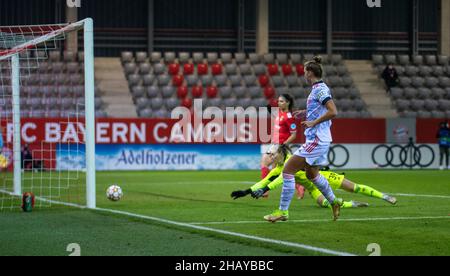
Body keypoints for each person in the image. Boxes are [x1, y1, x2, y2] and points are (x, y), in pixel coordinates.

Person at [265, 56, 342, 222]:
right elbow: (320, 109)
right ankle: (334, 202)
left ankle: (282, 212)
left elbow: (333, 111)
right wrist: (305, 112)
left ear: (310, 73)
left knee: (287, 170)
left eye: (305, 71)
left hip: (316, 140)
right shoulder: (318, 89)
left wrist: (313, 121)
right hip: (320, 139)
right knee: (312, 175)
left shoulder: (320, 90)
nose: (304, 74)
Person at [230, 145, 397, 211]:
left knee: (355, 188)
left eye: (272, 154)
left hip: (322, 177)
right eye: (269, 154)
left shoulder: (290, 161)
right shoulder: (278, 168)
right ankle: (351, 204)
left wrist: (264, 190)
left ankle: (384, 196)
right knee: (323, 203)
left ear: (280, 154)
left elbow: (279, 181)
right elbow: (265, 180)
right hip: (313, 187)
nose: (270, 157)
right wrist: (245, 192)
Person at [260, 94, 304, 198]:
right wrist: (270, 110)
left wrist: (283, 145)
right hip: (276, 144)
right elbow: (278, 119)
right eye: (278, 101)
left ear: (288, 102)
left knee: (265, 163)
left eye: (282, 101)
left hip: (280, 146)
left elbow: (294, 134)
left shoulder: (289, 117)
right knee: (284, 170)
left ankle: (264, 191)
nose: (279, 103)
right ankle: (300, 186)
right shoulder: (280, 113)